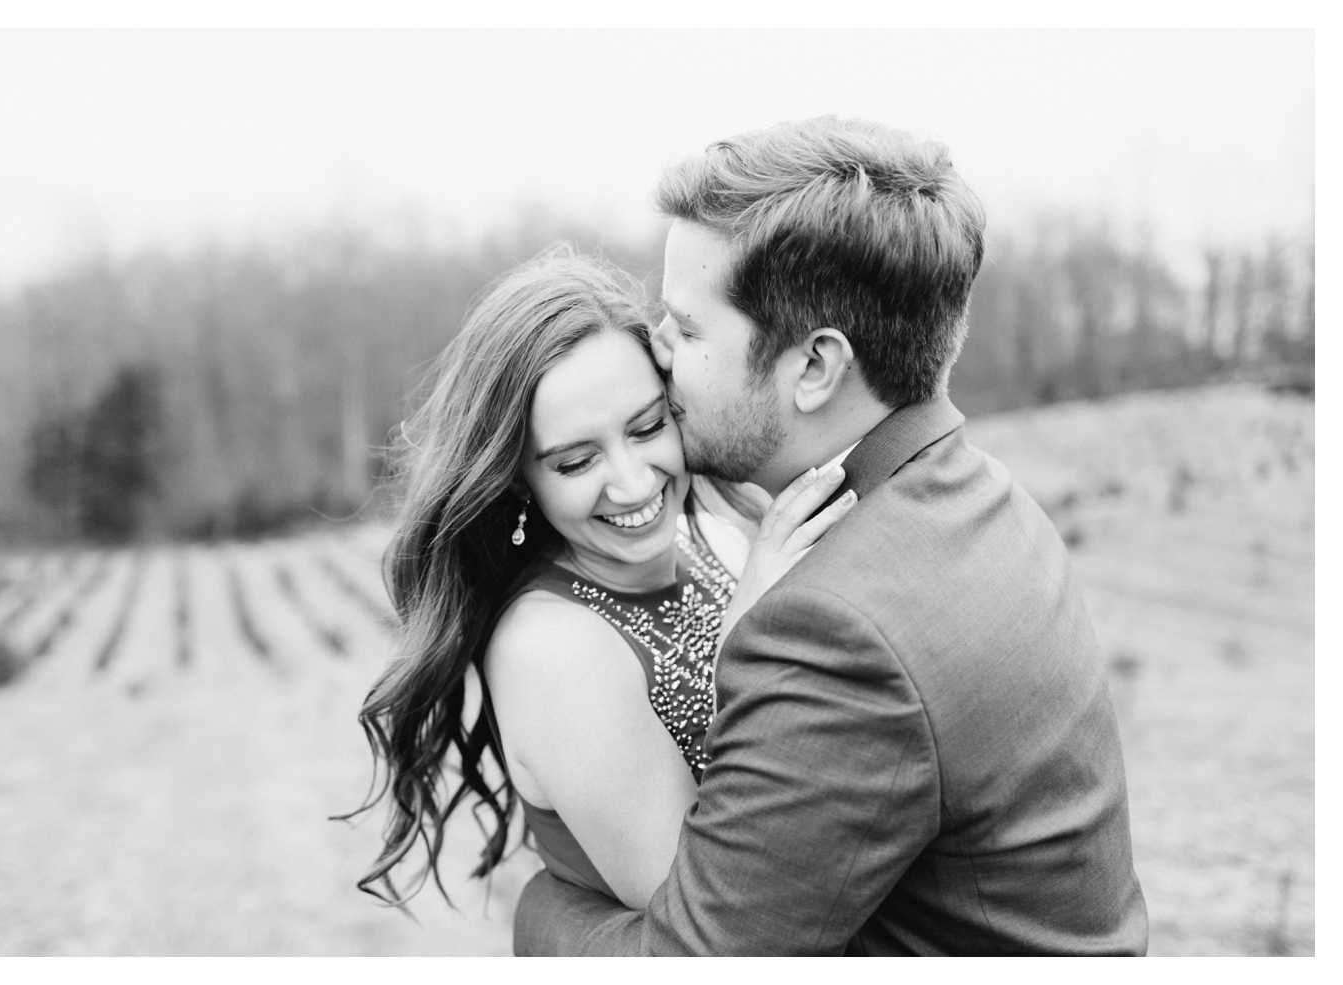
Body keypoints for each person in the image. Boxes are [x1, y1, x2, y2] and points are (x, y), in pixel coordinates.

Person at [513, 116, 1150, 955]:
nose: (657, 352)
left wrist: (542, 912)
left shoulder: (834, 628)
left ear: (813, 367)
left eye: (689, 329)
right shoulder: (979, 496)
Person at [345, 246, 851, 909]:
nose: (634, 481)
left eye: (646, 427)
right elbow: (709, 918)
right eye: (577, 461)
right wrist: (749, 641)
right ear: (517, 479)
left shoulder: (715, 546)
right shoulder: (552, 647)